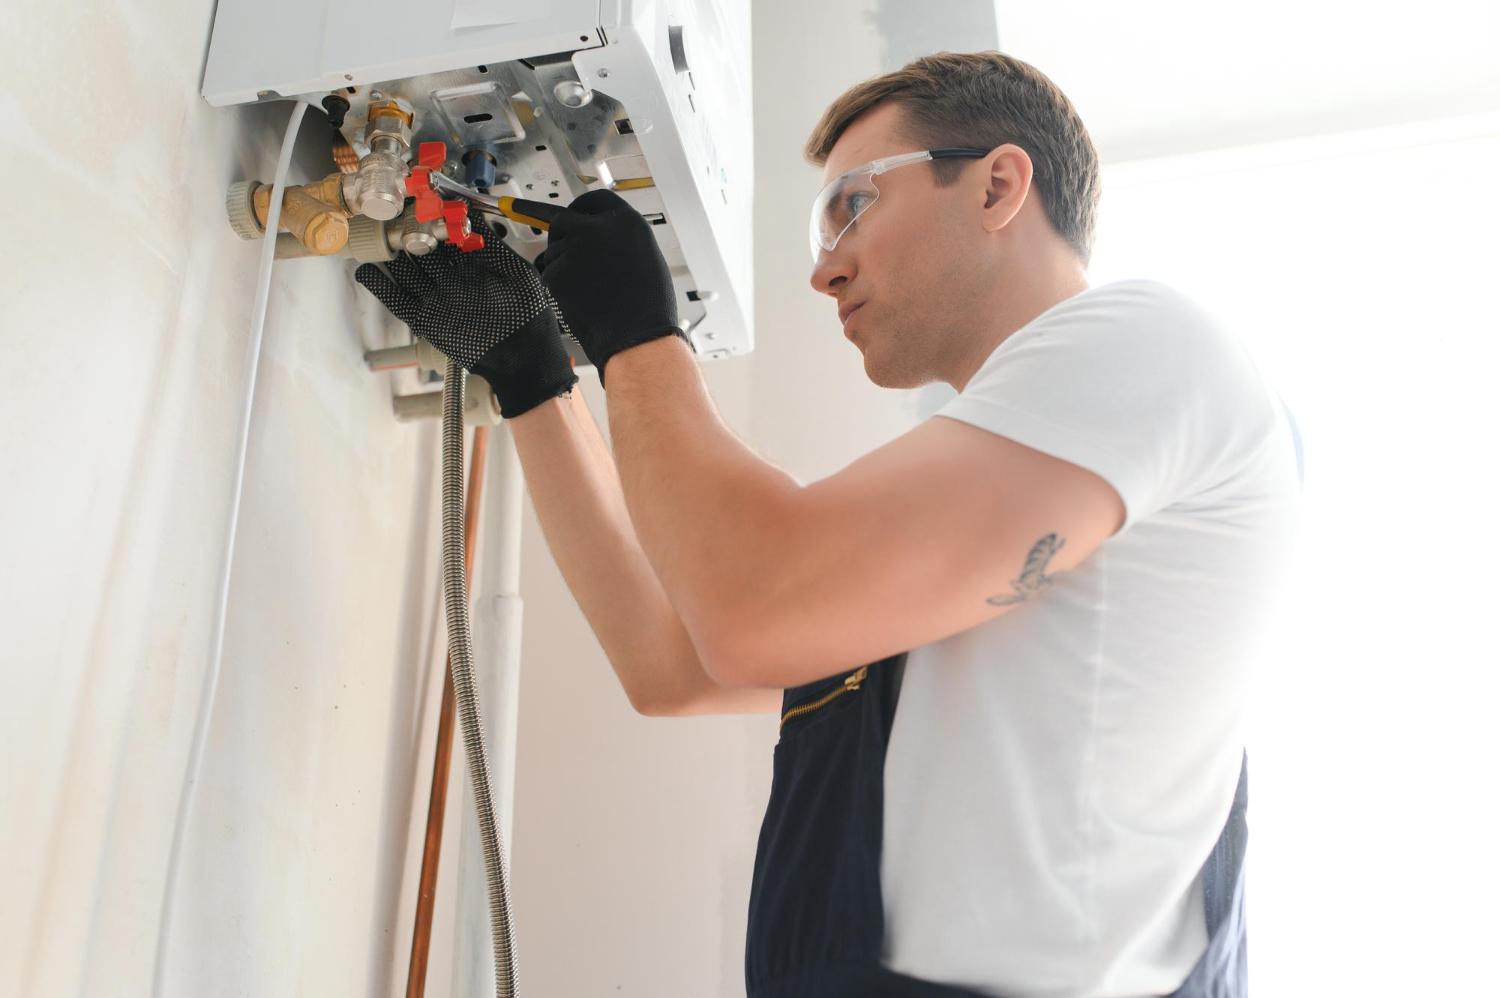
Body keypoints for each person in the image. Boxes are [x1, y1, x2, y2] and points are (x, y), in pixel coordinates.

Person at [355, 50, 1302, 998]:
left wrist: (639, 342)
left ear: (999, 185)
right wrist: (534, 382)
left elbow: (750, 609)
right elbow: (674, 661)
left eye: (854, 203)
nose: (824, 267)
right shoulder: (986, 528)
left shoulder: (1149, 347)